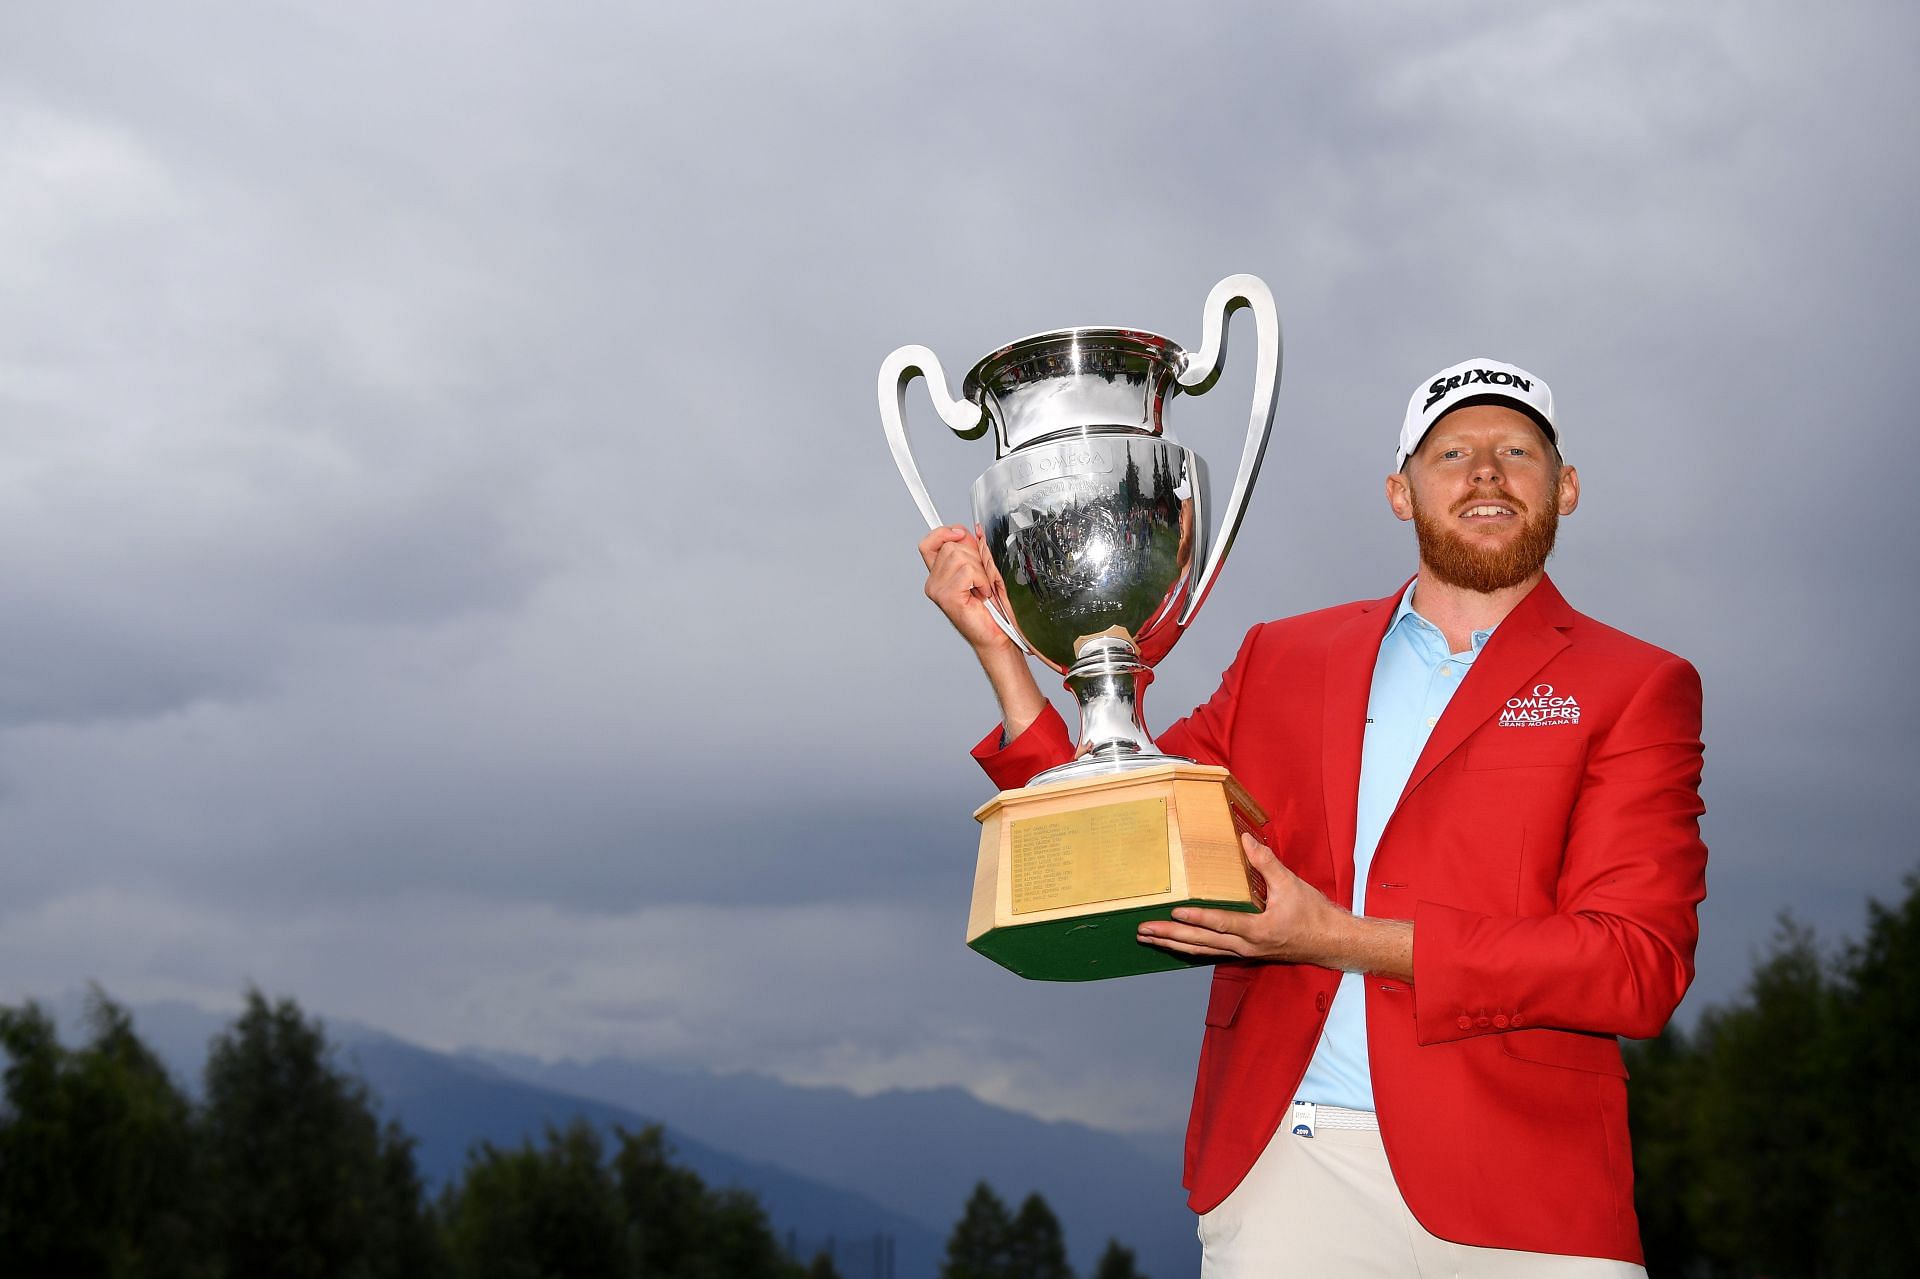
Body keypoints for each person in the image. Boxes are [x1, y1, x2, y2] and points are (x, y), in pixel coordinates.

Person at [918, 358, 1706, 1276]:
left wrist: (1341, 936)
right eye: (1452, 451)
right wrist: (1004, 656)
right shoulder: (1283, 659)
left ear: (1564, 489)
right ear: (1400, 493)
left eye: (1517, 451)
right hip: (1293, 1179)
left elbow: (1635, 966)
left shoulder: (1635, 684)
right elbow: (1120, 843)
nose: (1485, 470)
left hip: (1529, 1195)